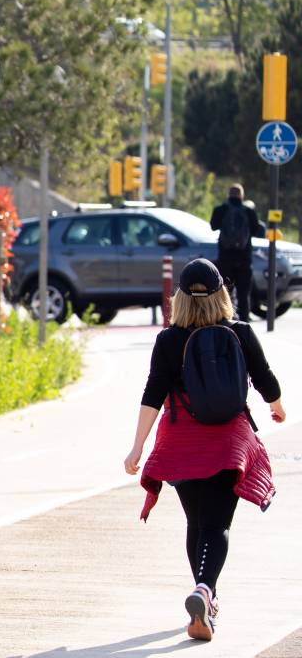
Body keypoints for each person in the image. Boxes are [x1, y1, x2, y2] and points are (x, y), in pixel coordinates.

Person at [123, 258, 285, 642]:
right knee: (217, 525)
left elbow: (153, 394)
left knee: (196, 523)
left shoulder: (169, 340)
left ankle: (203, 599)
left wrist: (137, 446)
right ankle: (205, 591)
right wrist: (276, 407)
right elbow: (264, 378)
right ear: (221, 294)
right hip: (228, 443)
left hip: (179, 443)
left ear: (179, 298)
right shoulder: (240, 332)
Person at [209, 184, 266, 322]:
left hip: (225, 259)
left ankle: (226, 322)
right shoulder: (249, 211)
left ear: (228, 195)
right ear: (242, 195)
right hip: (244, 260)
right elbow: (256, 230)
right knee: (243, 296)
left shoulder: (221, 209)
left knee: (225, 294)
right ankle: (244, 324)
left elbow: (213, 226)